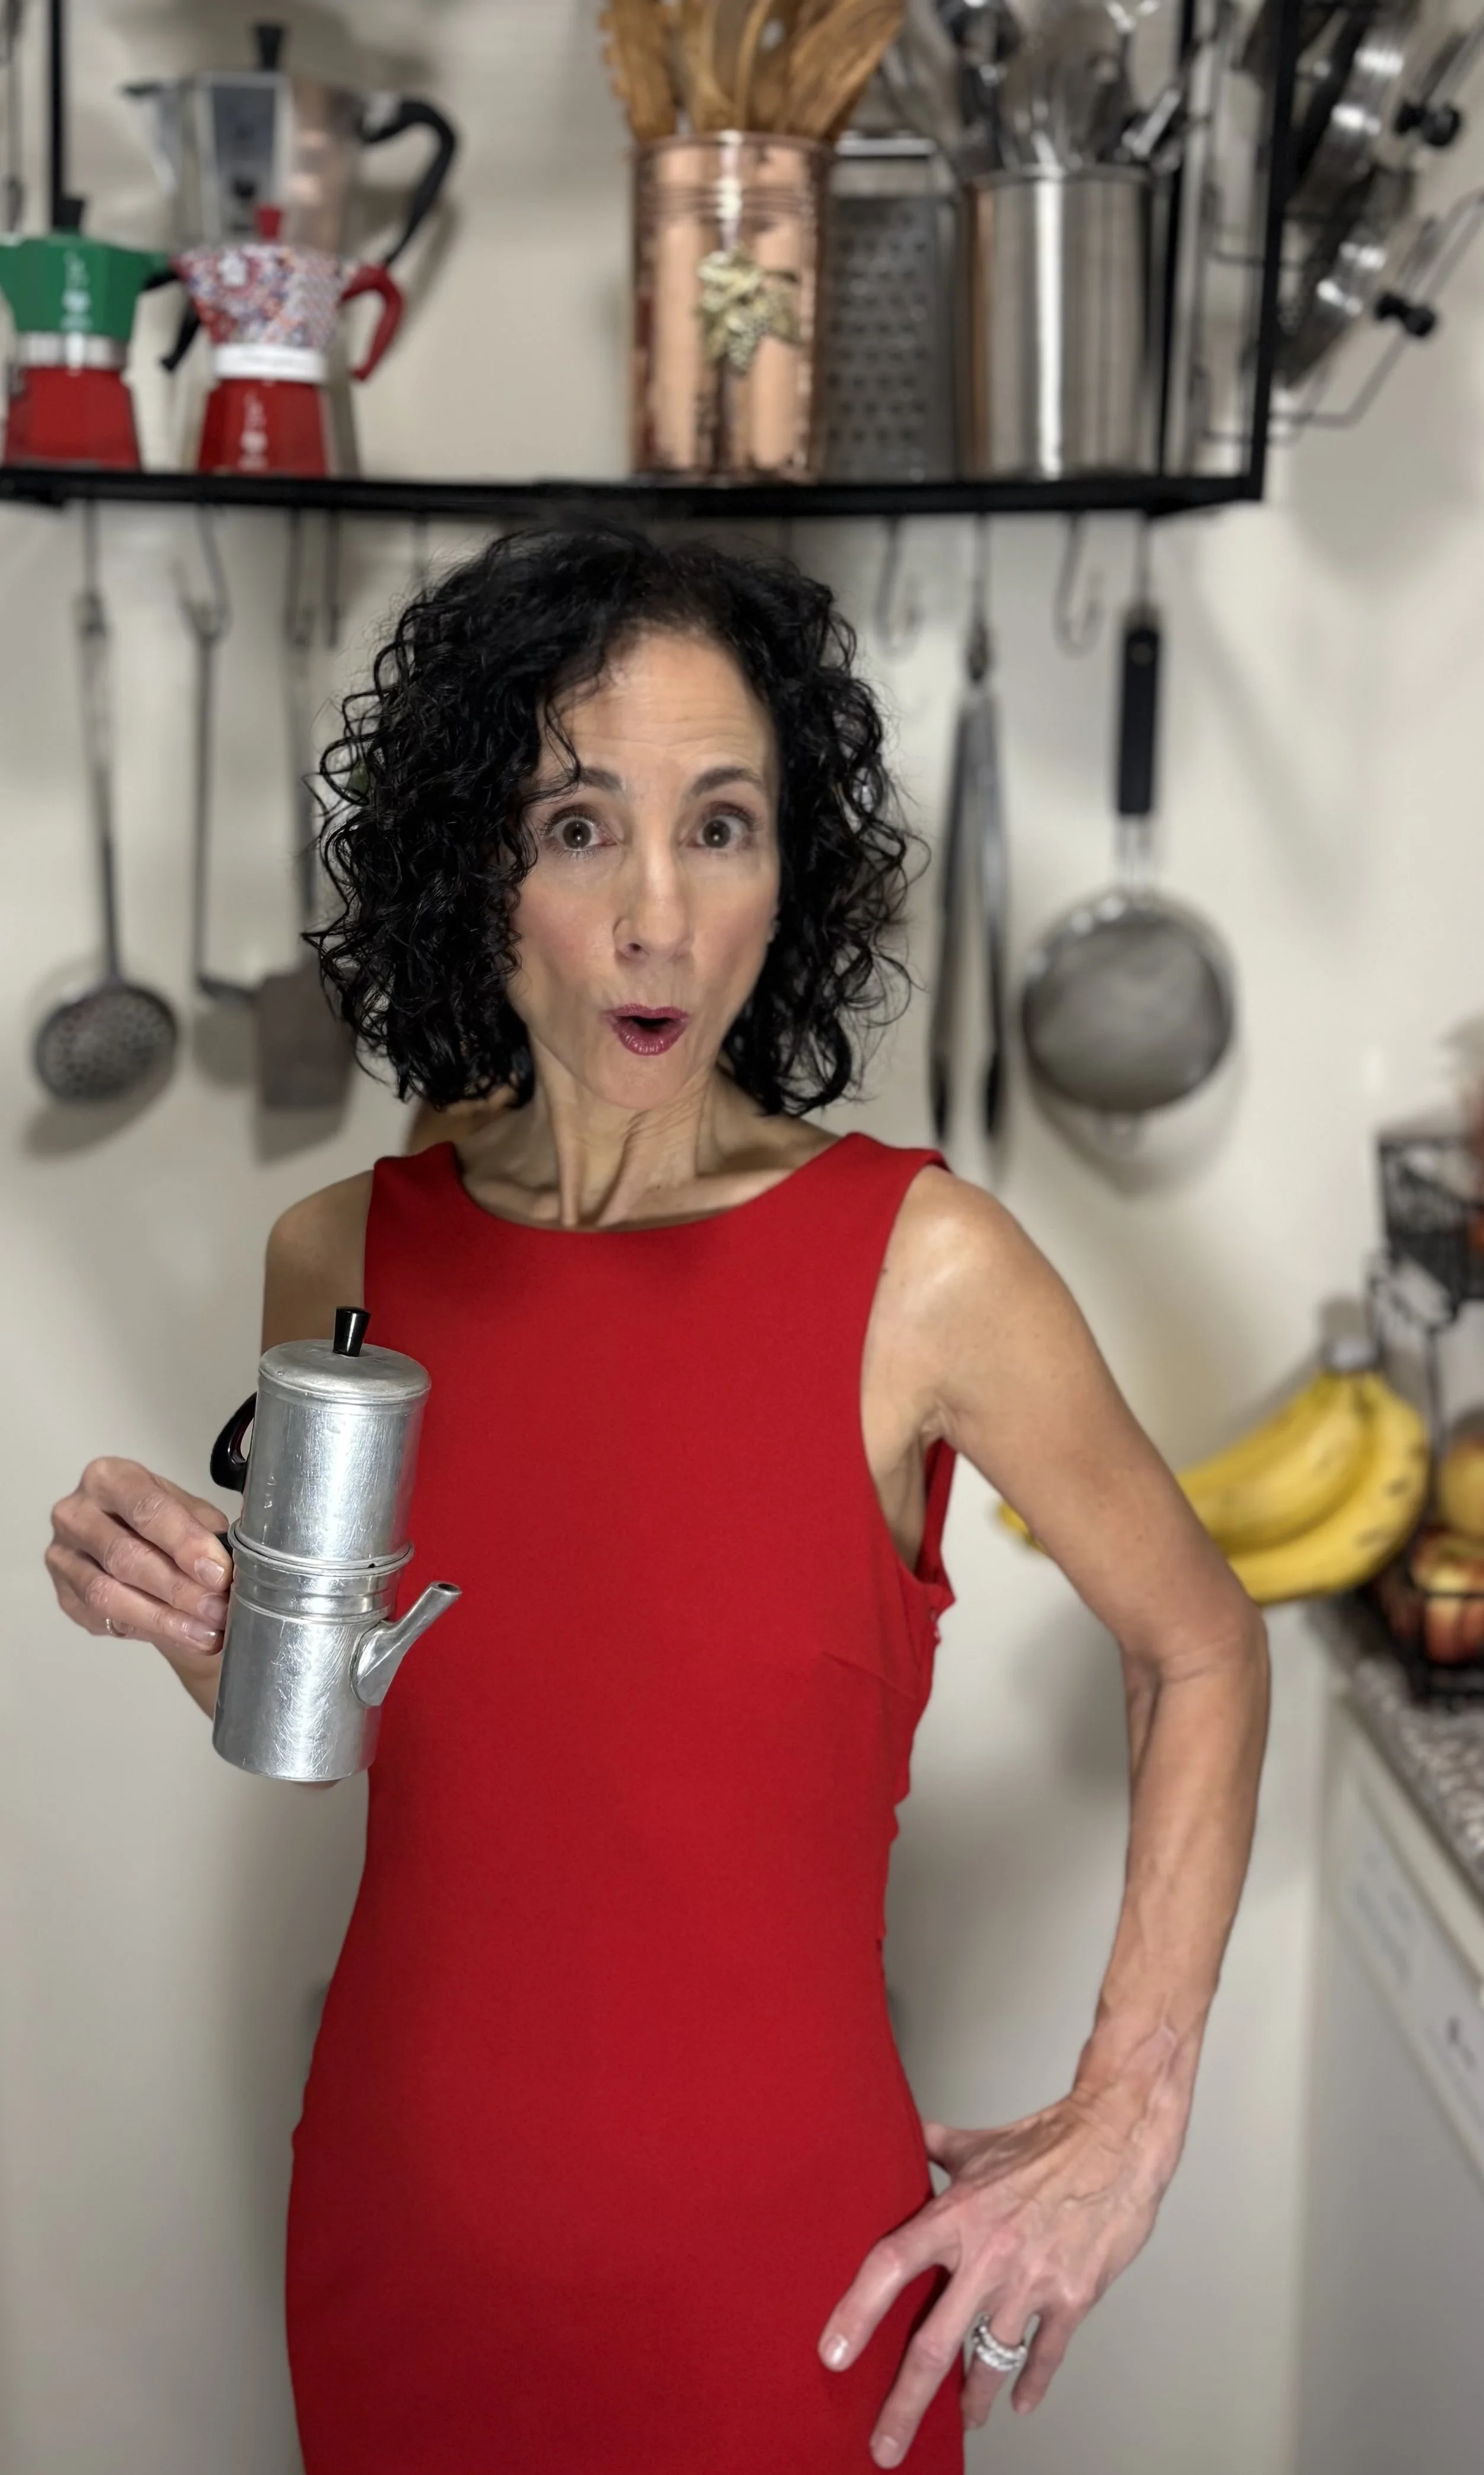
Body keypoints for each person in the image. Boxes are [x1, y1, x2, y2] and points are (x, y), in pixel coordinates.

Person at [46, 528, 1269, 2474]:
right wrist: (186, 1615)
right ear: (475, 869)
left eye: (719, 827)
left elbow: (1198, 1648)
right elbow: (365, 1712)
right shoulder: (341, 1259)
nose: (656, 918)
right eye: (576, 826)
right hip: (397, 2256)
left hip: (784, 2299)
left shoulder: (924, 1270)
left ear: (793, 873)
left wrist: (1126, 2113)